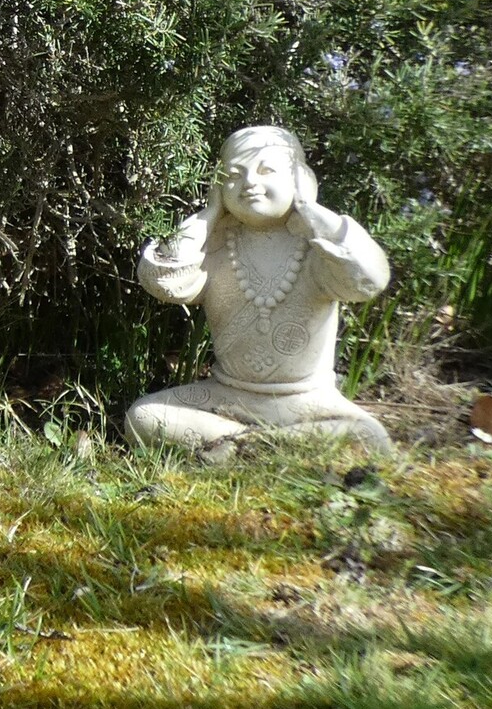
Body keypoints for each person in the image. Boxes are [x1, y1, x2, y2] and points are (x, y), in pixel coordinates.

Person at [126, 126, 393, 459]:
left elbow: (368, 279)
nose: (250, 182)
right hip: (227, 396)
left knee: (370, 437)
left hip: (306, 400)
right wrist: (208, 215)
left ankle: (237, 447)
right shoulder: (216, 246)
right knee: (142, 417)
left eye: (266, 170)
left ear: (300, 178)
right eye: (234, 175)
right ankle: (262, 446)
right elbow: (162, 280)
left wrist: (310, 209)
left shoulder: (317, 246)